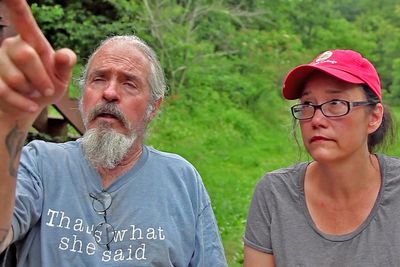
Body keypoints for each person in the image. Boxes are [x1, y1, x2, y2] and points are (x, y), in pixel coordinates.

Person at [0, 0, 228, 266]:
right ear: (83, 95)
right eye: (98, 79)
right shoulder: (39, 163)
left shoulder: (182, 180)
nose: (109, 93)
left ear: (154, 107)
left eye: (129, 83)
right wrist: (9, 122)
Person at [244, 49, 399, 266]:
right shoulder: (275, 193)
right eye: (307, 105)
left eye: (336, 103)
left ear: (374, 117)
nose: (317, 119)